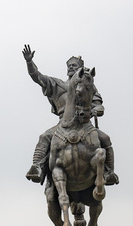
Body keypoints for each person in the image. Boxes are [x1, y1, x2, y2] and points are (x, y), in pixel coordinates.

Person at [21, 44, 118, 187]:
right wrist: (29, 62)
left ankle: (108, 172)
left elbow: (98, 105)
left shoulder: (88, 85)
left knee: (105, 138)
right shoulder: (57, 85)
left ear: (80, 68)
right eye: (69, 66)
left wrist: (96, 110)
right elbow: (37, 77)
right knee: (44, 137)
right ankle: (37, 167)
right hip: (63, 125)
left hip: (85, 125)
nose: (71, 67)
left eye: (74, 65)